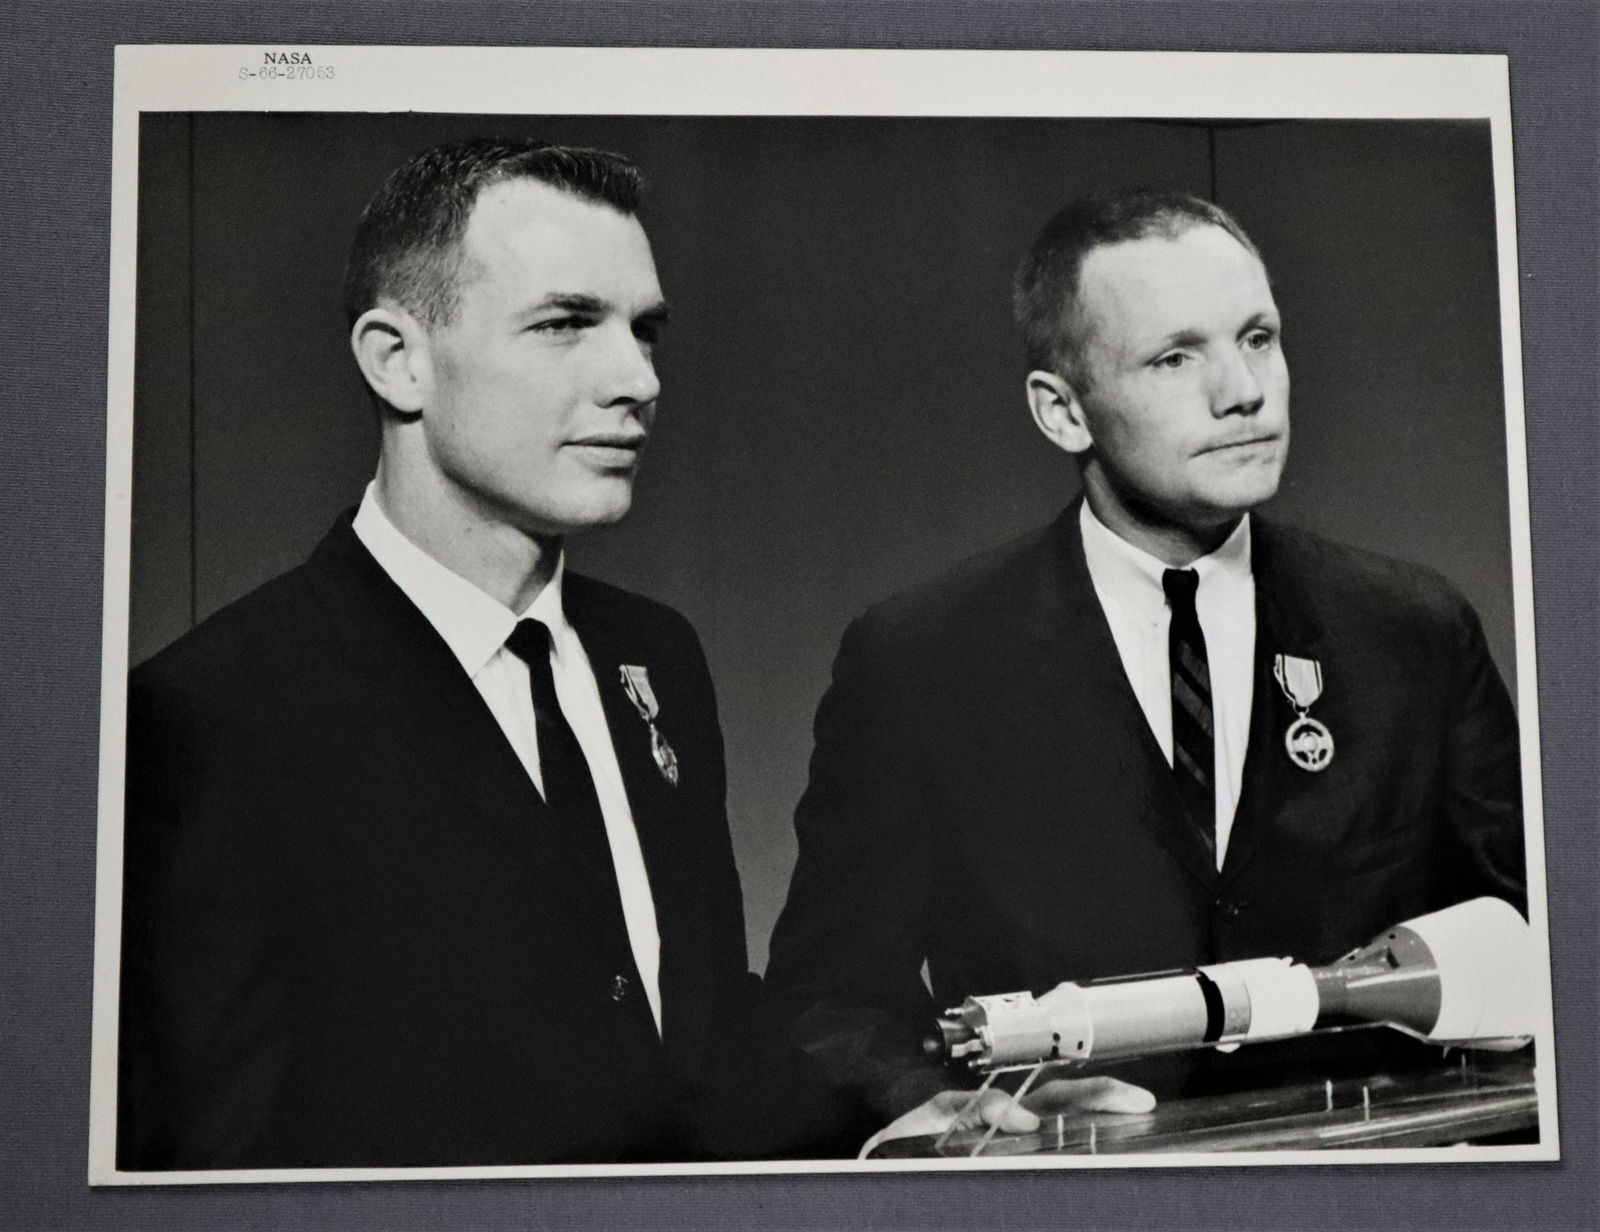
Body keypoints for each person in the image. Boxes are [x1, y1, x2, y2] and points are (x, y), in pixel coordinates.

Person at [761, 190, 1527, 1153]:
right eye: (1175, 358)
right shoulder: (922, 661)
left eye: (1258, 339)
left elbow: (1536, 943)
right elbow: (830, 1000)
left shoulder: (1413, 630)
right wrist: (950, 1107)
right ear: (1062, 412)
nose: (1243, 391)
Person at [117, 138, 762, 1169]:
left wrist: (917, 1123)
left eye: (646, 330)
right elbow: (203, 1167)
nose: (637, 378)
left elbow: (700, 1040)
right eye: (565, 324)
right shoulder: (211, 716)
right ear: (396, 360)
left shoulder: (656, 658)